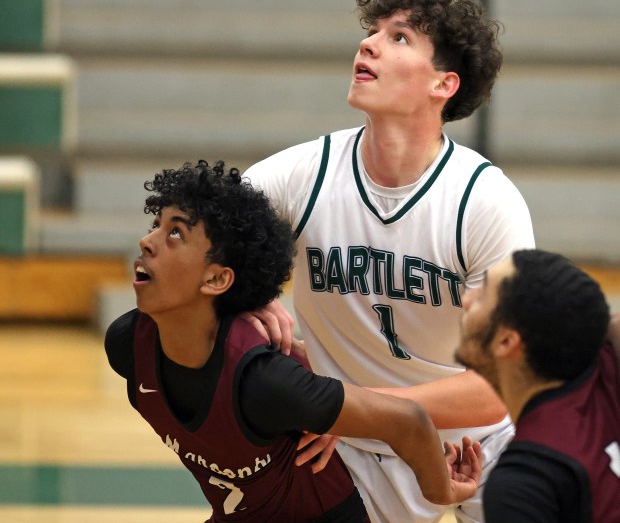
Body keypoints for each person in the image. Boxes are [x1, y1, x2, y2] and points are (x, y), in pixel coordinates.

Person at [242, 0, 534, 523]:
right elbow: (194, 226)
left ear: (442, 84)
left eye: (397, 37)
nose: (368, 43)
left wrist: (356, 408)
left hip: (487, 445)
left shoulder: (484, 201)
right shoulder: (308, 172)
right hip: (358, 447)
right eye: (371, 31)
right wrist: (249, 295)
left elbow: (502, 385)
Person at [105, 160, 483, 523]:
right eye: (156, 224)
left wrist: (442, 491)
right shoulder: (127, 345)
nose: (147, 240)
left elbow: (408, 420)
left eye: (175, 233)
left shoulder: (263, 381)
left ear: (217, 280)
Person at [455, 249, 620, 523]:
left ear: (506, 342)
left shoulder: (522, 483)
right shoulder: (610, 368)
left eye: (482, 294)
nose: (466, 300)